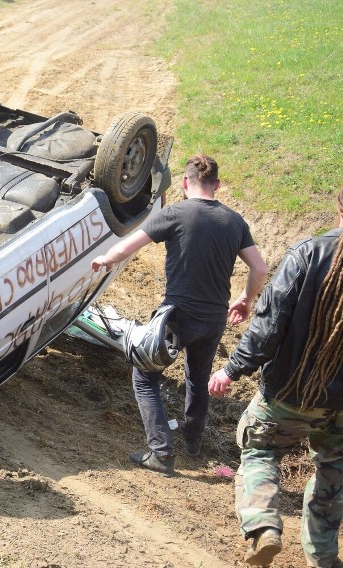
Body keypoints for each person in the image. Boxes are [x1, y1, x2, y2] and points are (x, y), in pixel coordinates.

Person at [90, 155, 268, 476]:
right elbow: (260, 268)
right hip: (213, 320)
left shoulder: (175, 213)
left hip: (177, 317)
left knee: (144, 378)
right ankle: (193, 444)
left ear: (185, 184)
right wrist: (245, 299)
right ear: (217, 185)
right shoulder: (235, 222)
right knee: (197, 380)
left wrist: (104, 260)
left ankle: (161, 453)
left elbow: (129, 246)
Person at [208, 187, 342, 567]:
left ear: (338, 206)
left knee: (259, 449)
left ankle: (264, 526)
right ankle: (324, 559)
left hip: (290, 393)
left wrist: (232, 368)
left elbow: (268, 328)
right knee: (334, 475)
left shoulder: (308, 254)